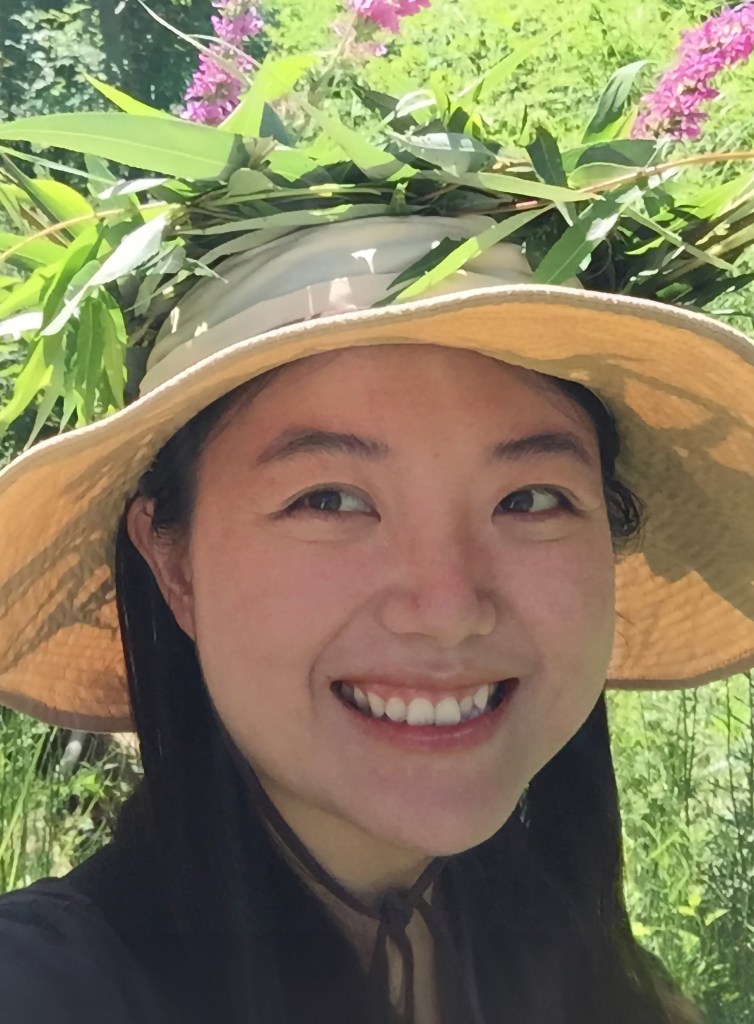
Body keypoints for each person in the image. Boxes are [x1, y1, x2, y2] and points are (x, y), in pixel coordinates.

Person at [1, 80, 753, 1018]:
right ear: (174, 562)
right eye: (331, 499)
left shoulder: (601, 983)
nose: (448, 611)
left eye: (530, 499)